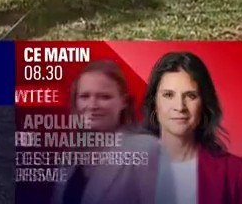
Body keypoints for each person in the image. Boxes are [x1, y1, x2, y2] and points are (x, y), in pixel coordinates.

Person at [52, 60, 173, 204]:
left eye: (104, 97)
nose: (92, 105)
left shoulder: (147, 148)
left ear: (124, 102)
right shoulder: (70, 155)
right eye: (84, 96)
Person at [142, 51, 242, 204]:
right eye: (168, 95)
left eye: (190, 96)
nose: (179, 107)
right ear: (154, 104)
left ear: (204, 104)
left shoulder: (236, 173)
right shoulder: (125, 171)